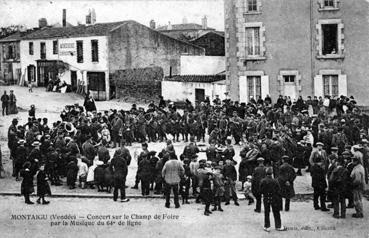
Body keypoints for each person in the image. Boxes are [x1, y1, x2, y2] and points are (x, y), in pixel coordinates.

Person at [260, 167, 286, 232]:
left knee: (266, 212)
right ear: (272, 173)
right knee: (276, 212)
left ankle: (267, 226)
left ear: (266, 173)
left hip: (266, 198)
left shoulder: (263, 181)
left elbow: (261, 190)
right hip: (274, 198)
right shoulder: (275, 181)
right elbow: (279, 190)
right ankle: (278, 226)